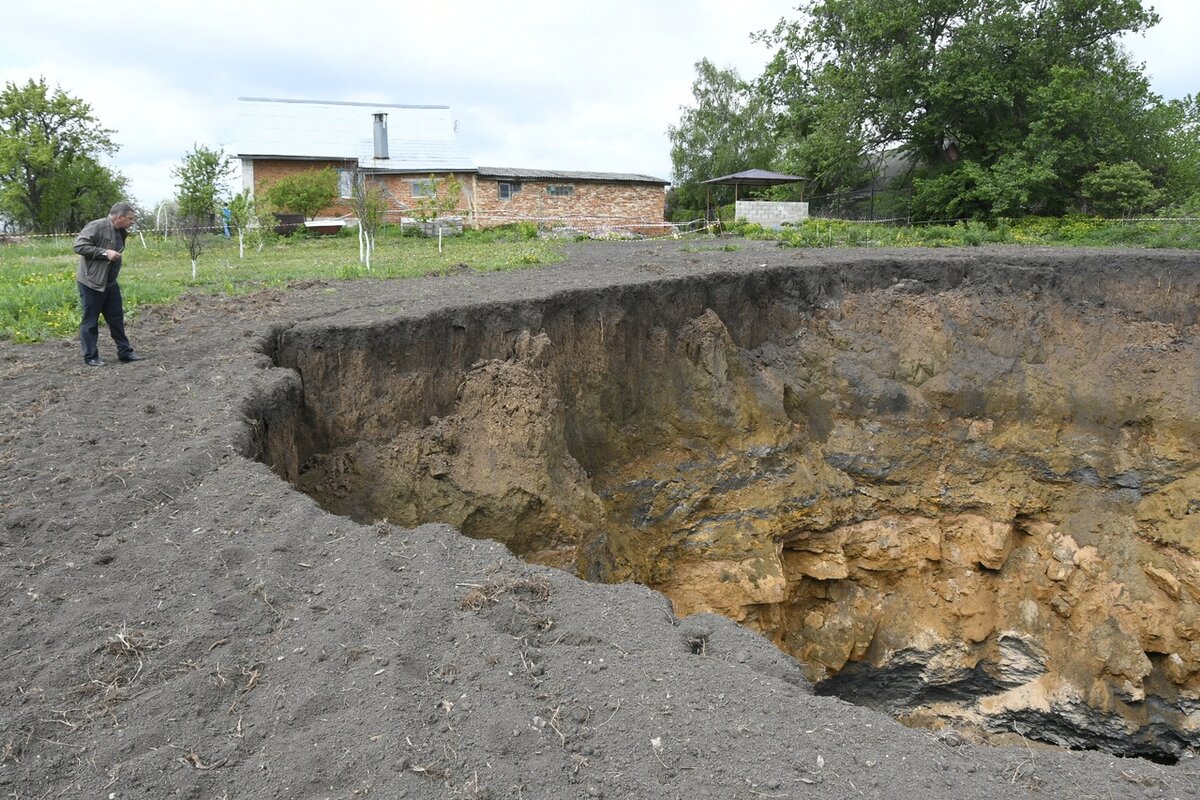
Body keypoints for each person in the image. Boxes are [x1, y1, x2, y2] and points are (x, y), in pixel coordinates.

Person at [74, 201, 145, 367]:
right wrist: (105, 253)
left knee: (117, 319)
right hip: (92, 283)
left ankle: (125, 352)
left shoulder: (120, 231)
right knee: (90, 321)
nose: (132, 222)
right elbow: (79, 245)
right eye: (130, 218)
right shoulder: (97, 226)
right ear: (119, 217)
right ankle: (91, 356)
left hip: (109, 283)